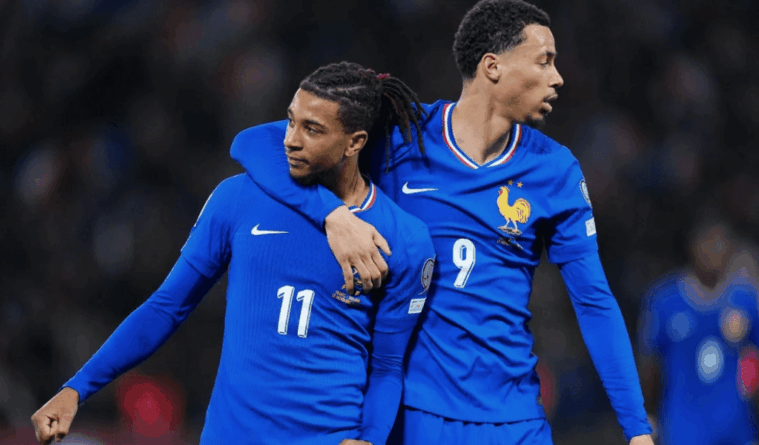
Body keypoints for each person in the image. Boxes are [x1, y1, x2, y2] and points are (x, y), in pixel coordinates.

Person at [228, 0, 654, 443]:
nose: (557, 77)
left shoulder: (556, 171)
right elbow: (256, 143)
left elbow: (594, 302)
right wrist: (333, 215)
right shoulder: (401, 136)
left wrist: (637, 429)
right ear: (494, 66)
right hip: (415, 414)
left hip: (516, 419)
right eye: (544, 60)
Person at [30, 61, 436, 445]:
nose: (291, 140)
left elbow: (387, 367)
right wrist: (77, 388)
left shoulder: (405, 239)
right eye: (291, 120)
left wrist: (370, 438)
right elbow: (167, 306)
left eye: (312, 129)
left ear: (355, 142)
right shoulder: (238, 198)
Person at [639, 220, 759, 444]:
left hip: (735, 427)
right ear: (692, 248)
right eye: (708, 244)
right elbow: (650, 364)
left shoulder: (744, 299)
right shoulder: (665, 300)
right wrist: (645, 415)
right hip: (684, 427)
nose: (714, 252)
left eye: (720, 245)